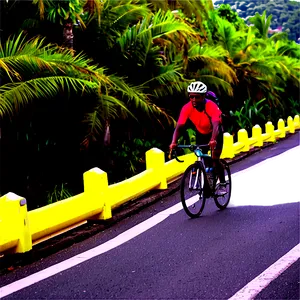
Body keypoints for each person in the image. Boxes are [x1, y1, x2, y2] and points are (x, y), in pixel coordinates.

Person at [169, 81, 226, 195]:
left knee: (215, 159)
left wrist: (213, 139)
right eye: (191, 97)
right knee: (203, 159)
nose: (194, 100)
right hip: (201, 133)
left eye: (197, 97)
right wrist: (173, 142)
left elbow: (216, 124)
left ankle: (223, 183)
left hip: (216, 133)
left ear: (204, 96)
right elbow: (179, 127)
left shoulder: (210, 105)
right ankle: (208, 183)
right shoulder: (187, 108)